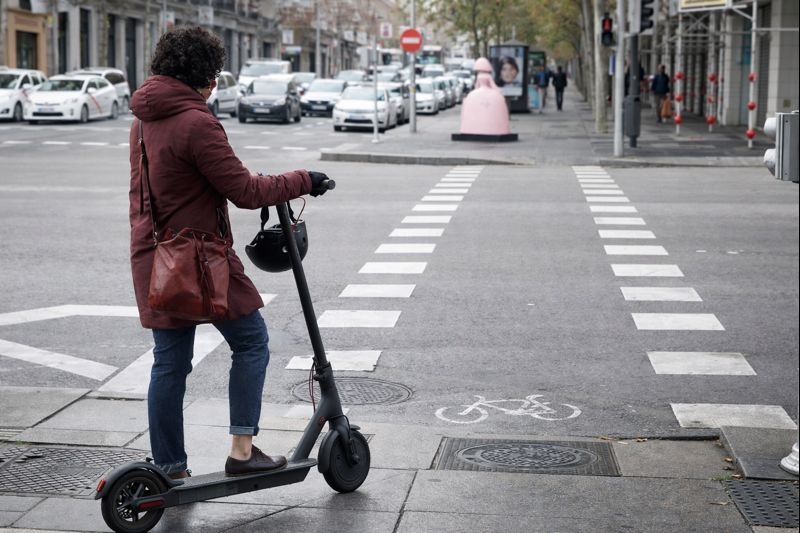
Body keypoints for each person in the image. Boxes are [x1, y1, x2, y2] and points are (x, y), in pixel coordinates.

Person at [128, 26, 330, 480]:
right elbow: (244, 191)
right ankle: (242, 450)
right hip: (200, 259)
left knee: (169, 362)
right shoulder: (197, 121)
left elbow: (160, 188)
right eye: (214, 76)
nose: (216, 85)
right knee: (252, 340)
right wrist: (304, 179)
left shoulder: (142, 121)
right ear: (203, 77)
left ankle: (169, 467)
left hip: (153, 257)